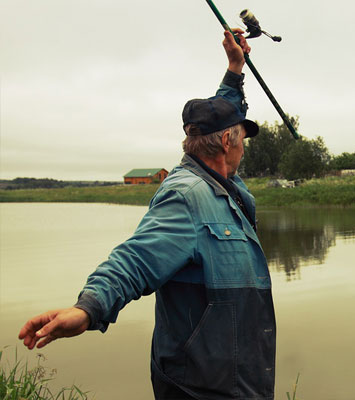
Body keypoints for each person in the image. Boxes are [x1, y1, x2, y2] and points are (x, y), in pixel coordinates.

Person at [18, 28, 276, 400]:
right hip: (205, 387)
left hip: (240, 378)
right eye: (241, 137)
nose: (243, 149)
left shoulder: (223, 184)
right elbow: (133, 261)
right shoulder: (186, 196)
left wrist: (235, 68)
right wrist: (88, 308)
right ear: (225, 141)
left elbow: (223, 111)